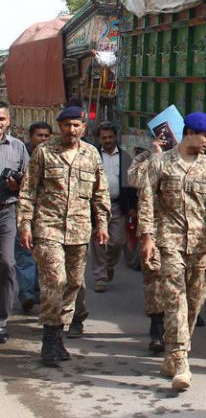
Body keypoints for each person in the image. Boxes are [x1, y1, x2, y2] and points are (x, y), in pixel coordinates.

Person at [138, 111, 206, 391]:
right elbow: (147, 201)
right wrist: (147, 237)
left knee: (194, 301)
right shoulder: (161, 164)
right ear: (190, 132)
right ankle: (181, 362)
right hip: (170, 242)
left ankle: (171, 353)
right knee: (176, 300)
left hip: (201, 245)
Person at [17, 106, 110, 365]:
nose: (72, 130)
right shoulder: (44, 153)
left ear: (84, 127)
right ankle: (49, 338)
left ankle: (58, 333)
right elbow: (28, 192)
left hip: (79, 230)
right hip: (49, 227)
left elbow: (100, 194)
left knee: (73, 284)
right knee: (55, 279)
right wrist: (25, 225)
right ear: (59, 126)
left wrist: (102, 223)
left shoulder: (91, 155)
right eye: (67, 125)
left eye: (76, 125)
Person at [127, 136, 166, 352]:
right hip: (154, 229)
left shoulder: (187, 157)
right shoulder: (145, 158)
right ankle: (157, 328)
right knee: (155, 279)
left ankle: (179, 326)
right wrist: (155, 157)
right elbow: (135, 179)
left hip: (183, 233)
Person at [89, 121, 136, 292]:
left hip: (118, 205)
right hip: (97, 206)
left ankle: (108, 264)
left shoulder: (125, 157)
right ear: (99, 139)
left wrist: (133, 206)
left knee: (117, 241)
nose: (107, 140)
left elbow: (131, 184)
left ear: (115, 136)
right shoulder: (92, 156)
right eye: (104, 137)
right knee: (98, 240)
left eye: (110, 137)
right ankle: (100, 277)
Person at [0, 102, 30, 344]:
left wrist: (17, 185)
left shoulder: (18, 147)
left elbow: (29, 183)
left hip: (6, 211)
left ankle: (1, 321)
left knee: (7, 264)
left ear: (8, 121)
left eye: (1, 119)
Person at [14, 121, 49, 315]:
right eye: (39, 136)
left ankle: (37, 292)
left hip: (46, 215)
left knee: (42, 255)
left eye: (46, 136)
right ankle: (26, 293)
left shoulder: (53, 155)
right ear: (30, 137)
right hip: (24, 210)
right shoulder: (22, 153)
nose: (42, 139)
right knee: (25, 252)